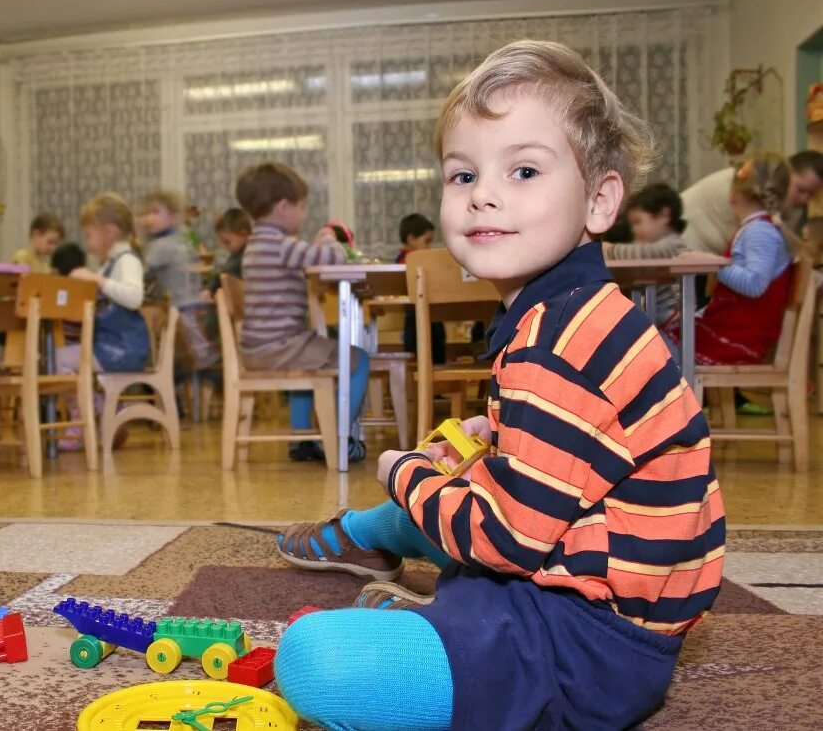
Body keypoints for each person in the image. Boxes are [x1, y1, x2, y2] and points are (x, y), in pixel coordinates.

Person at [272, 40, 723, 730]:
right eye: (462, 175)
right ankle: (364, 543)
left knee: (310, 660)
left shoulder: (558, 344)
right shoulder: (571, 313)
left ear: (600, 201)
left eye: (522, 170)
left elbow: (509, 541)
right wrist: (496, 442)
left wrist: (404, 473)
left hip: (582, 649)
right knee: (448, 486)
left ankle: (394, 578)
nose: (484, 193)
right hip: (590, 597)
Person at [236, 162, 371, 463]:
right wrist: (329, 241)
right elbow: (329, 259)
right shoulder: (279, 244)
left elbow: (304, 258)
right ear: (283, 207)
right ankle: (337, 438)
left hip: (261, 348)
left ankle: (302, 440)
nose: (303, 213)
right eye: (301, 206)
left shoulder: (259, 244)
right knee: (358, 360)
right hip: (279, 347)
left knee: (310, 365)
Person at [667, 153, 795, 367]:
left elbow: (755, 284)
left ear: (734, 193)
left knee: (653, 343)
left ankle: (675, 399)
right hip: (734, 329)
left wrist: (714, 264)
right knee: (658, 336)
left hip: (739, 336)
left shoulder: (760, 231)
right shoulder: (756, 228)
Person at [56, 194, 149, 449]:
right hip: (112, 347)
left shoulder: (127, 261)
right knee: (56, 357)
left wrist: (97, 281)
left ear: (108, 232)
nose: (87, 244)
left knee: (56, 359)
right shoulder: (109, 264)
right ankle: (108, 408)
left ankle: (83, 419)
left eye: (88, 235)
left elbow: (134, 297)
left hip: (121, 350)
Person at [681, 150, 823, 255]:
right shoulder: (751, 187)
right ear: (786, 173)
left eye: (811, 194)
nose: (804, 199)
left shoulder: (787, 204)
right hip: (685, 245)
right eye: (800, 189)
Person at [141, 190, 219, 373]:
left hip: (180, 313)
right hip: (195, 308)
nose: (149, 219)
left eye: (155, 213)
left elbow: (141, 273)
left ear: (174, 218)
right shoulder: (182, 240)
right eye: (147, 213)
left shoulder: (161, 245)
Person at [603, 182, 690, 326]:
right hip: (659, 312)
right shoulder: (656, 245)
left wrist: (608, 249)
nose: (634, 230)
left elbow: (641, 254)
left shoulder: (674, 244)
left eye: (638, 222)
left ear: (664, 215)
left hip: (676, 317)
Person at [394, 213, 448, 364]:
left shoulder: (420, 260)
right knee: (416, 355)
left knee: (437, 351)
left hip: (431, 314)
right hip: (414, 316)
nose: (429, 247)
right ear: (411, 239)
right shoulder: (403, 262)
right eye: (426, 241)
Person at [205, 207, 251, 300]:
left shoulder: (248, 254)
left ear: (244, 234)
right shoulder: (237, 252)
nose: (227, 247)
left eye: (228, 242)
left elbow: (228, 272)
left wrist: (210, 289)